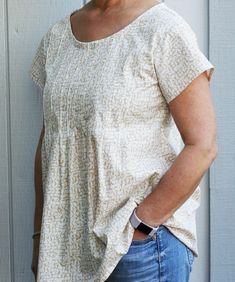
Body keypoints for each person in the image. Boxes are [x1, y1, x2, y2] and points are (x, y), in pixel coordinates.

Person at [29, 0, 217, 281]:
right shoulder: (57, 38)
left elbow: (203, 145)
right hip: (66, 255)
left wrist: (140, 225)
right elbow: (51, 143)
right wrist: (40, 235)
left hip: (139, 252)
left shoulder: (163, 29)